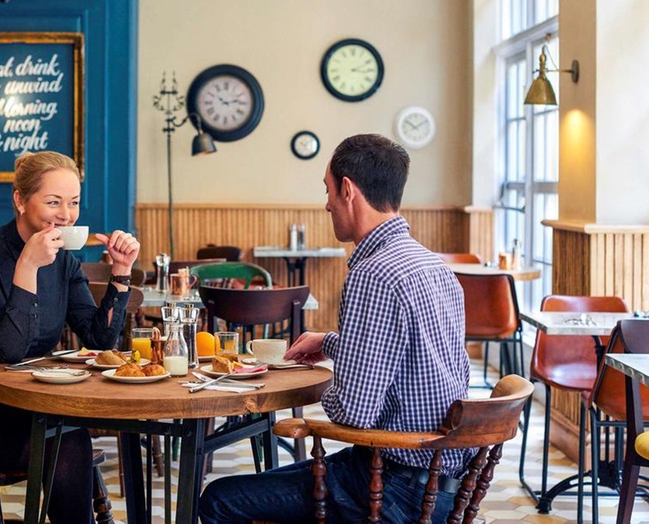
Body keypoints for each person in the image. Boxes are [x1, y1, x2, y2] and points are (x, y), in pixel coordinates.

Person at [199, 134, 471, 524]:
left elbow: (356, 414)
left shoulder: (373, 275)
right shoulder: (435, 267)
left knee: (219, 499)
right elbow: (408, 354)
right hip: (442, 483)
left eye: (327, 190)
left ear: (348, 190)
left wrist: (328, 384)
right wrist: (330, 343)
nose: (326, 204)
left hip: (392, 490)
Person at [0, 151, 140, 523]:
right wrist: (27, 265)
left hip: (29, 405)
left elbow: (99, 339)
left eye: (74, 202)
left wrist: (121, 272)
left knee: (68, 436)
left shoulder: (64, 261)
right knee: (65, 441)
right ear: (19, 200)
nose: (66, 214)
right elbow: (8, 349)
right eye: (53, 202)